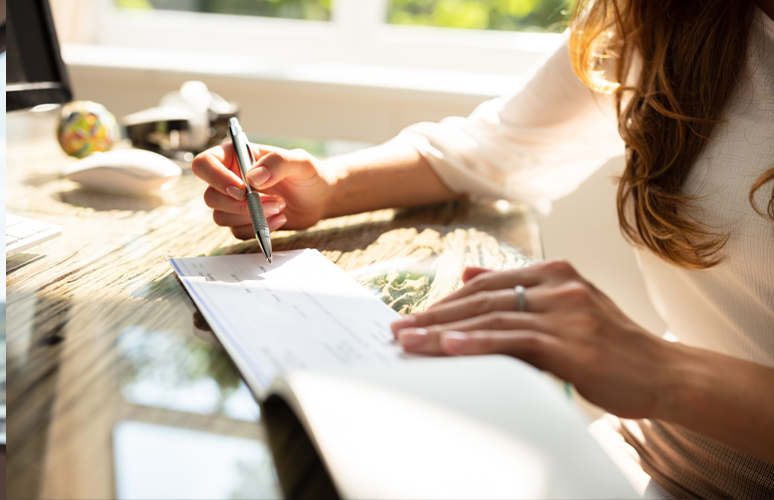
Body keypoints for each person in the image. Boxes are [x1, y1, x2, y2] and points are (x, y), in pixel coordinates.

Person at [192, 0, 774, 496]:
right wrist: (324, 189)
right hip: (657, 453)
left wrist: (662, 370)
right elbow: (504, 145)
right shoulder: (666, 12)